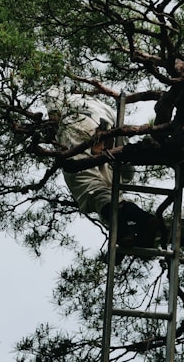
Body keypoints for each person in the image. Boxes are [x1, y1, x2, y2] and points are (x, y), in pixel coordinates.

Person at [44, 88, 159, 248]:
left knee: (88, 186)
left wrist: (49, 138)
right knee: (109, 188)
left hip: (78, 127)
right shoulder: (102, 104)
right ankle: (126, 230)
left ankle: (138, 221)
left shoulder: (58, 92)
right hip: (106, 131)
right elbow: (121, 135)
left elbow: (54, 118)